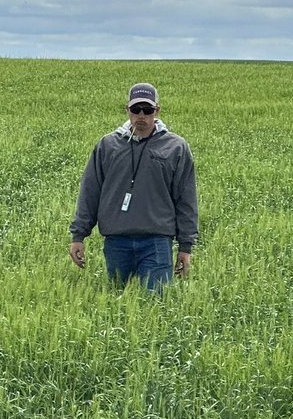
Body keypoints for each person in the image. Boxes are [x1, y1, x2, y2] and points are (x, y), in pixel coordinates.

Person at [68, 82, 198, 292]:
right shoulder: (108, 146)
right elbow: (90, 192)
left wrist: (186, 246)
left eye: (147, 110)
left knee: (157, 308)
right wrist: (78, 236)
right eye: (136, 110)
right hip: (116, 242)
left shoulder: (176, 147)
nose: (141, 116)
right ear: (127, 110)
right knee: (116, 305)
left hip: (156, 243)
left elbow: (186, 199)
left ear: (157, 111)